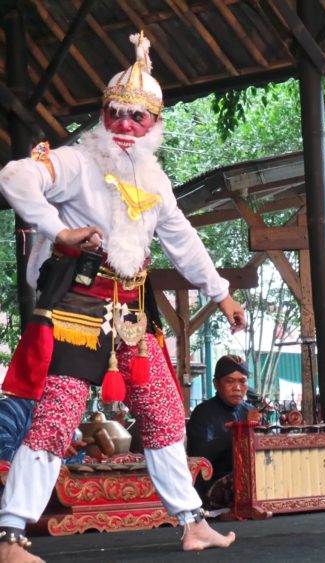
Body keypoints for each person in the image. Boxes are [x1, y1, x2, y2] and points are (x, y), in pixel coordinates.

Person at [0, 32, 245, 560]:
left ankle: (192, 521)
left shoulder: (156, 180)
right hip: (77, 309)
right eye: (117, 115)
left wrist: (220, 294)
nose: (126, 126)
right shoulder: (75, 161)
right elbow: (15, 176)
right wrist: (56, 229)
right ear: (103, 115)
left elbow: (182, 239)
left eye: (138, 118)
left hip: (132, 312)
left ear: (155, 124)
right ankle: (11, 534)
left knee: (161, 410)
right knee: (58, 415)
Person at [187, 355, 254, 504]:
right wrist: (237, 433)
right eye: (229, 381)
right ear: (216, 384)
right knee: (249, 479)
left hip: (247, 478)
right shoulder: (203, 412)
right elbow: (201, 455)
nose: (237, 388)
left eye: (242, 381)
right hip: (213, 484)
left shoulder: (250, 411)